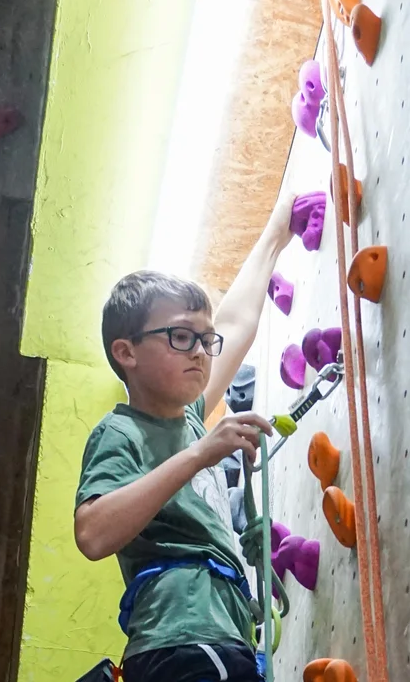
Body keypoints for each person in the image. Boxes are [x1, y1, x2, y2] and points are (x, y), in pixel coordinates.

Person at [73, 194, 297, 682]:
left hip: (218, 635)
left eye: (204, 339)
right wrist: (198, 455)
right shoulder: (122, 431)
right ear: (126, 352)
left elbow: (236, 323)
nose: (200, 351)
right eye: (181, 337)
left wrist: (277, 233)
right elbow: (92, 534)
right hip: (184, 638)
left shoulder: (189, 418)